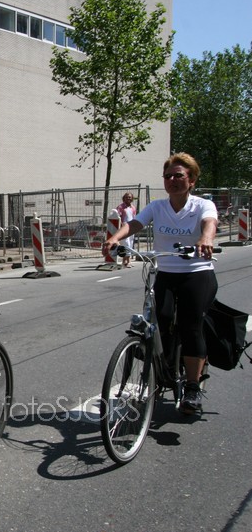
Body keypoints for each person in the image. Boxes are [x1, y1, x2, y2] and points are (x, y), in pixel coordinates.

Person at [103, 152, 218, 415]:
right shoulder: (157, 207)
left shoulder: (202, 205)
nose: (172, 180)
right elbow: (135, 224)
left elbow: (209, 223)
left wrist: (206, 239)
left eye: (179, 175)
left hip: (196, 273)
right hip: (165, 272)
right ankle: (164, 365)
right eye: (168, 176)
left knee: (191, 327)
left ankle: (192, 387)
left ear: (191, 180)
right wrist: (115, 238)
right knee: (158, 320)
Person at [115, 192, 137, 267]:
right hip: (124, 228)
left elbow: (134, 218)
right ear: (124, 198)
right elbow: (117, 217)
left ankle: (128, 261)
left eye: (130, 197)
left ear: (132, 198)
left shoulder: (133, 207)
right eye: (127, 197)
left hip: (131, 228)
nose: (128, 198)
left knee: (130, 244)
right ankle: (125, 261)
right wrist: (121, 224)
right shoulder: (120, 207)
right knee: (125, 244)